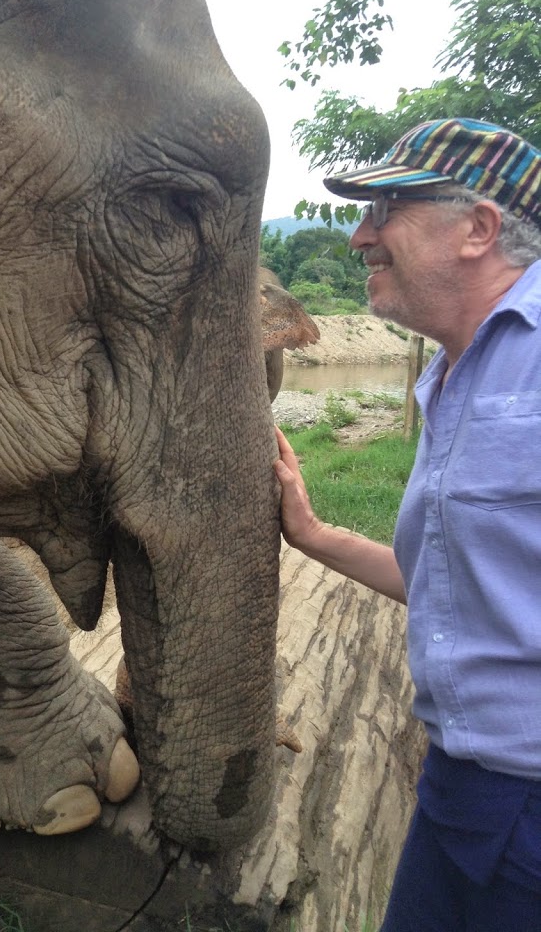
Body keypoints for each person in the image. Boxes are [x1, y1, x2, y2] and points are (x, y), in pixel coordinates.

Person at [273, 118, 541, 932]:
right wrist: (313, 534)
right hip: (460, 789)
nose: (359, 235)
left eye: (386, 206)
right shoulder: (455, 371)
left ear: (478, 228)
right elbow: (461, 585)